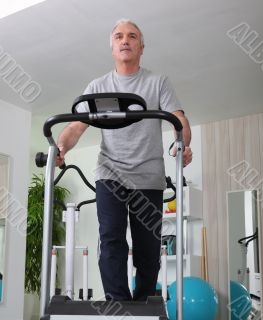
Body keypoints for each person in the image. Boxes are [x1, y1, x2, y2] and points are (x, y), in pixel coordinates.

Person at [57, 19, 192, 301]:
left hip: (148, 174)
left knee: (147, 247)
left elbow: (178, 119)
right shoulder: (98, 86)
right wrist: (61, 148)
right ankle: (117, 307)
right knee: (111, 240)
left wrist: (182, 144)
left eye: (132, 36)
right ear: (112, 46)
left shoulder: (158, 82)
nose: (125, 40)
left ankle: (144, 305)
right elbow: (75, 127)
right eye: (119, 36)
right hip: (110, 171)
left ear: (142, 46)